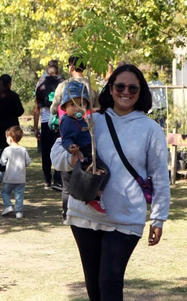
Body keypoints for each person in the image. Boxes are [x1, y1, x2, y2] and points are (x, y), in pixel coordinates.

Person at [50, 64, 171, 300]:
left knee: (110, 283)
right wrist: (72, 155)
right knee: (94, 287)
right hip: (85, 214)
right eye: (120, 86)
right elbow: (57, 157)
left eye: (133, 87)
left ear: (141, 91)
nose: (126, 92)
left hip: (125, 219)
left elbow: (159, 177)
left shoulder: (151, 130)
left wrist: (158, 217)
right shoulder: (90, 119)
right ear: (111, 88)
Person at [50, 55, 100, 219]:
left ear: (71, 67)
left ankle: (69, 212)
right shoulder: (91, 87)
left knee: (68, 183)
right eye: (73, 104)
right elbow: (98, 107)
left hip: (80, 144)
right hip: (76, 144)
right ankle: (73, 212)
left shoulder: (63, 86)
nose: (78, 106)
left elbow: (53, 109)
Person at [59, 81, 106, 215]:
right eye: (73, 104)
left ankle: (94, 197)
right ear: (65, 106)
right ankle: (92, 198)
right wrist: (71, 147)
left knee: (104, 173)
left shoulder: (82, 120)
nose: (77, 108)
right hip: (82, 153)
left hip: (90, 151)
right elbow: (66, 139)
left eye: (81, 104)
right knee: (96, 174)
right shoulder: (68, 122)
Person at [34, 64, 64, 190]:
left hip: (46, 121)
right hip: (60, 121)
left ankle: (47, 179)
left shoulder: (41, 87)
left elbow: (36, 109)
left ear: (47, 73)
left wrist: (36, 127)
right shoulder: (63, 85)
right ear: (58, 73)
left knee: (46, 151)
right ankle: (58, 179)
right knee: (60, 149)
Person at [0, 126, 32, 219]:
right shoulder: (23, 150)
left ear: (9, 138)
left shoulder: (7, 150)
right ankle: (19, 212)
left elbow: (2, 162)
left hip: (9, 178)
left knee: (5, 193)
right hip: (21, 178)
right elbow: (28, 162)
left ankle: (8, 206)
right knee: (19, 195)